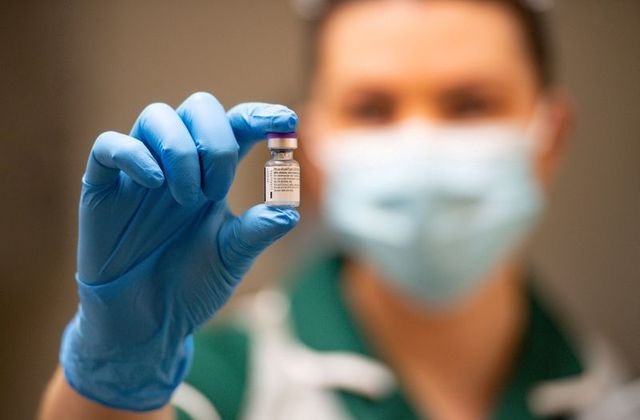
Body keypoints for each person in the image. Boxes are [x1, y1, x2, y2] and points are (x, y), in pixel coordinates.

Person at [38, 0, 636, 419]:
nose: (419, 146)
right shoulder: (215, 383)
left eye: (470, 104)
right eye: (372, 108)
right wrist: (115, 384)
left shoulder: (609, 394)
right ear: (313, 148)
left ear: (551, 138)